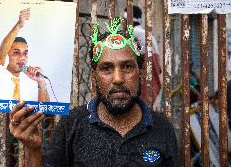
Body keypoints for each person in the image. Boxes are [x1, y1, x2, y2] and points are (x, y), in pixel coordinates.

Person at [9, 18, 179, 166]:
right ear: (94, 77)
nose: (118, 78)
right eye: (106, 68)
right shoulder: (72, 124)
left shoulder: (162, 128)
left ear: (140, 72)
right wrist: (33, 150)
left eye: (127, 67)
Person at [0, 8, 49, 102]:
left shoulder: (31, 81)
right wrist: (19, 25)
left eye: (25, 53)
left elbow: (45, 110)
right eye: (16, 52)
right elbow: (0, 54)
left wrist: (41, 82)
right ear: (7, 54)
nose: (22, 57)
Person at [123, 5, 162, 105]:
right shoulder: (149, 35)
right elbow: (159, 68)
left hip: (140, 88)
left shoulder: (131, 34)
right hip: (151, 86)